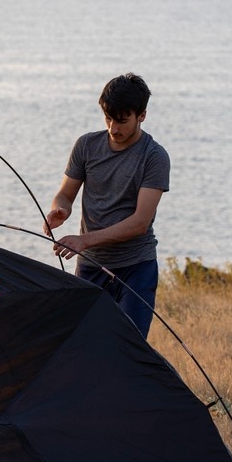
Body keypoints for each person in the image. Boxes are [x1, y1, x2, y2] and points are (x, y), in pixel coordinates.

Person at [44, 73, 170, 338]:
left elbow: (140, 223)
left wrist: (84, 240)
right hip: (90, 267)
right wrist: (61, 210)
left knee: (128, 350)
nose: (113, 128)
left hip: (136, 269)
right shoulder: (86, 145)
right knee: (84, 346)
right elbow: (65, 194)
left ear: (142, 116)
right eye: (108, 119)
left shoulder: (155, 157)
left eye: (122, 121)